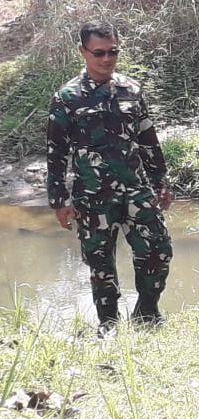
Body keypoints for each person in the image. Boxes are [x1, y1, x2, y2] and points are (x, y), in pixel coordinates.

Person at [46, 21, 174, 336]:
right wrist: (59, 201)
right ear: (83, 52)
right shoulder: (67, 98)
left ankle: (147, 311)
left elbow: (148, 140)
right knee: (101, 265)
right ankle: (108, 324)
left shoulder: (132, 90)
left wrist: (161, 181)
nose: (106, 59)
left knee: (158, 248)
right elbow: (56, 153)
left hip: (136, 189)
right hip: (93, 197)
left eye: (113, 52)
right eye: (99, 53)